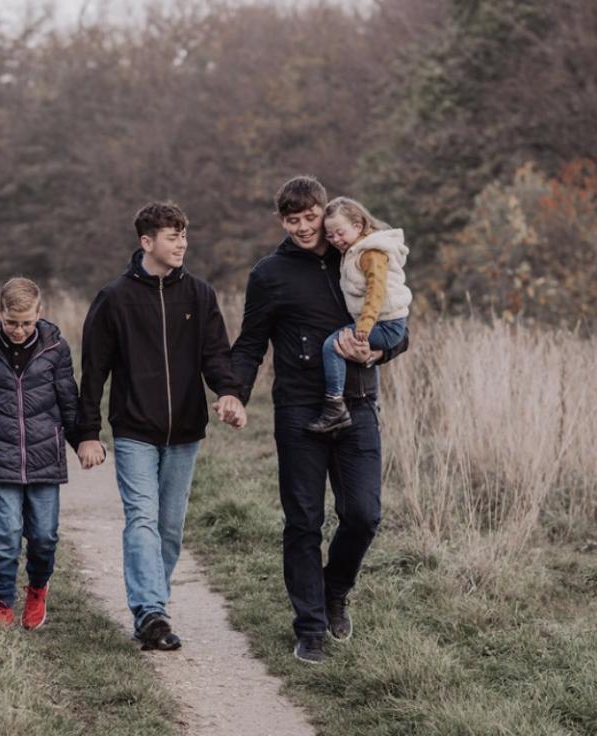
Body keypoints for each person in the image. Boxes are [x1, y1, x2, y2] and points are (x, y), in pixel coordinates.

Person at [230, 176, 409, 664]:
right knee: (304, 521)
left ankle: (335, 592)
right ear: (282, 221)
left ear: (326, 213)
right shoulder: (269, 274)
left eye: (312, 217)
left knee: (364, 514)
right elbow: (250, 343)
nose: (306, 228)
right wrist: (234, 392)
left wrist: (378, 349)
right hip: (299, 410)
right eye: (294, 220)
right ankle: (309, 627)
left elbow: (399, 325)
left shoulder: (353, 255)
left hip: (359, 405)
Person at [76, 201, 246, 652]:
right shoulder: (115, 298)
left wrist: (228, 393)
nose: (182, 244)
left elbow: (216, 355)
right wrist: (87, 432)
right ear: (146, 242)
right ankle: (150, 611)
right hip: (134, 429)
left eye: (184, 236)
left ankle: (154, 604)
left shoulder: (200, 295)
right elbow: (93, 371)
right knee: (142, 520)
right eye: (173, 237)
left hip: (186, 431)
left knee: (170, 527)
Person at [0, 277, 78, 629]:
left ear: (40, 313)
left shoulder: (56, 349)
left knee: (43, 536)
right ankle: (3, 603)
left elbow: (68, 399)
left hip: (44, 458)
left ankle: (37, 588)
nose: (19, 331)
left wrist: (84, 440)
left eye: (27, 323)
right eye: (11, 323)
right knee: (6, 536)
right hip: (0, 456)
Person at [306, 196, 411, 433]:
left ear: (358, 225)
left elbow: (377, 291)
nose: (335, 240)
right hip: (384, 323)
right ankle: (353, 405)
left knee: (332, 346)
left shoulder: (370, 253)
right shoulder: (354, 251)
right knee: (340, 347)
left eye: (339, 233)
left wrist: (364, 326)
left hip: (387, 325)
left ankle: (335, 406)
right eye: (330, 235)